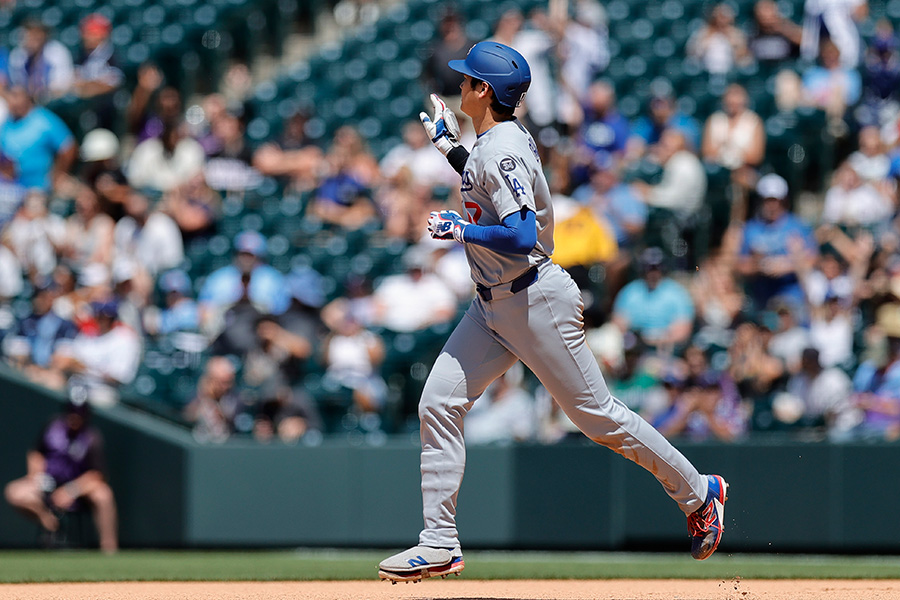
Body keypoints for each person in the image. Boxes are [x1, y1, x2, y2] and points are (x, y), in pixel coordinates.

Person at [377, 42, 728, 584]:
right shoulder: (496, 141)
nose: (460, 85)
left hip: (533, 298)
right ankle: (439, 541)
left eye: (468, 79)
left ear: (483, 91)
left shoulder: (503, 149)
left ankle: (700, 492)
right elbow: (488, 184)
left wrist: (461, 229)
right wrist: (451, 150)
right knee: (439, 402)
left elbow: (520, 234)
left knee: (597, 417)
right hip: (492, 305)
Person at [3, 399, 118, 553]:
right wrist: (36, 475)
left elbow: (97, 475)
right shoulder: (52, 427)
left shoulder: (91, 437)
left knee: (104, 494)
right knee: (14, 492)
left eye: (79, 415)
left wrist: (71, 491)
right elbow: (36, 453)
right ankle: (49, 520)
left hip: (77, 489)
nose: (74, 419)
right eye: (72, 414)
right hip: (48, 483)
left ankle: (109, 548)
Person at [0, 86, 77, 192]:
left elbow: (68, 146)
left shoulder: (44, 119)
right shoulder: (6, 125)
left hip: (42, 187)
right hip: (15, 189)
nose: (13, 101)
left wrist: (58, 174)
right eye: (10, 97)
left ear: (27, 97)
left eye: (16, 96)